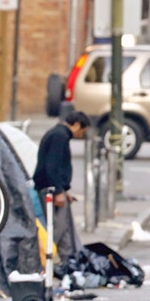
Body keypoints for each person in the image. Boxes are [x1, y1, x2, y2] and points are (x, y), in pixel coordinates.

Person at [32, 110, 90, 261]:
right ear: (76, 125)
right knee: (57, 228)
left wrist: (65, 190)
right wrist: (58, 191)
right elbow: (53, 166)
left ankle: (68, 261)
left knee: (63, 227)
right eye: (82, 131)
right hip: (50, 189)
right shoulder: (59, 136)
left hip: (53, 187)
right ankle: (45, 259)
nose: (82, 135)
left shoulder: (59, 134)